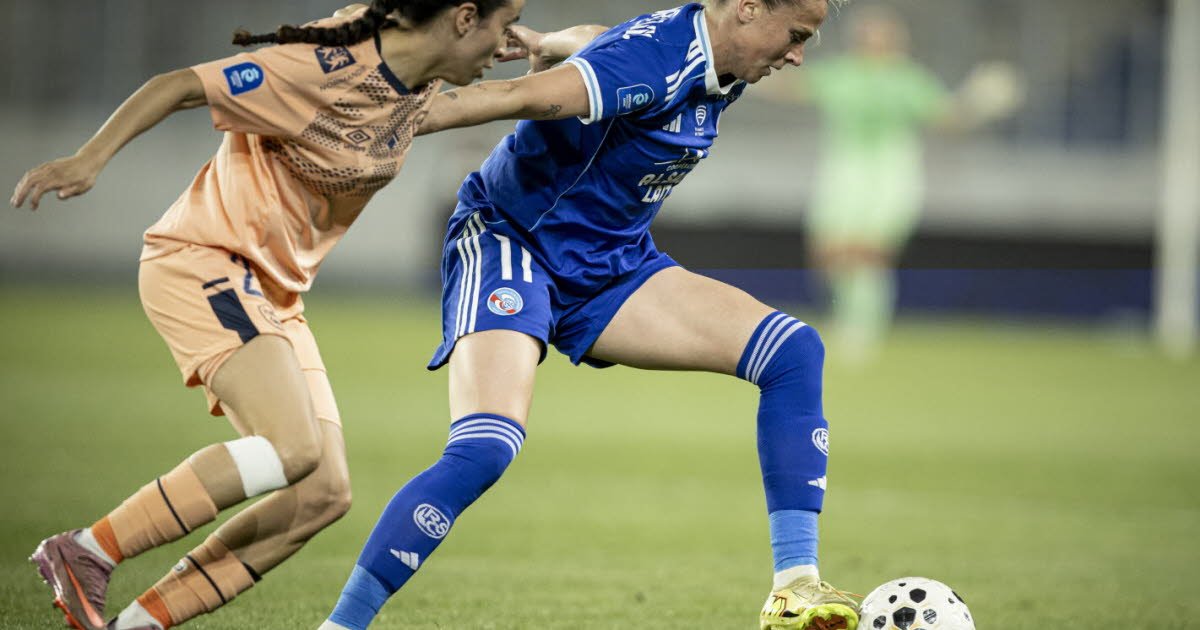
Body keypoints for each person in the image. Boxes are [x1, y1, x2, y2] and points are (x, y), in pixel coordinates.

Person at [320, 1, 860, 629]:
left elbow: (601, 42)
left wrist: (550, 39)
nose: (797, 55)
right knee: (485, 448)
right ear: (747, 10)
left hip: (611, 264)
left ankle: (794, 589)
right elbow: (515, 97)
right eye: (795, 36)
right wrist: (374, 116)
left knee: (792, 352)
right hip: (514, 244)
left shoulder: (720, 59)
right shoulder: (655, 60)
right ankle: (342, 625)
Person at [10, 1, 525, 628]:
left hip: (275, 294)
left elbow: (479, 98)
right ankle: (87, 550)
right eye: (505, 22)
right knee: (292, 447)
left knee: (323, 494)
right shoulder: (321, 68)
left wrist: (544, 54)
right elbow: (177, 85)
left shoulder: (417, 82)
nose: (508, 40)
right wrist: (89, 159)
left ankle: (134, 626)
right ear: (464, 18)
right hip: (206, 260)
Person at [765, 5, 1023, 363]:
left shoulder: (907, 80)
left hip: (890, 173)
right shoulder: (844, 73)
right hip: (843, 169)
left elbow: (946, 117)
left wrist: (978, 102)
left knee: (868, 252)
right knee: (829, 253)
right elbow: (794, 87)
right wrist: (740, 63)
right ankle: (845, 315)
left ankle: (861, 329)